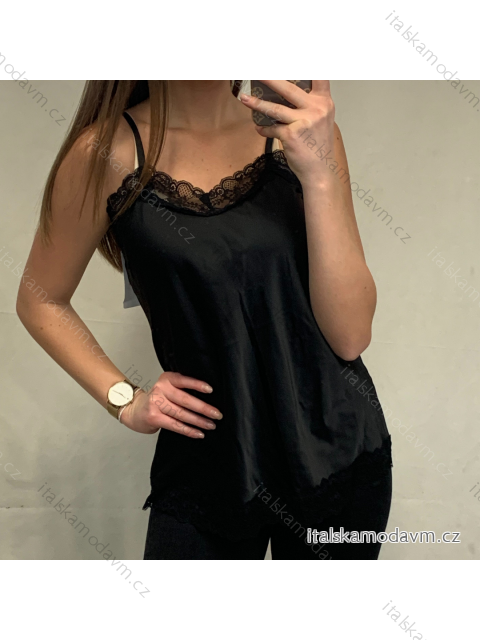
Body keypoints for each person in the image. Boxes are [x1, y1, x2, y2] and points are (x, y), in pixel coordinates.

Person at [16, 80, 392, 560]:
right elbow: (41, 299)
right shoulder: (105, 154)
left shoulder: (301, 132)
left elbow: (351, 336)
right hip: (207, 461)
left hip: (337, 451)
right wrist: (125, 400)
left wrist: (319, 175)